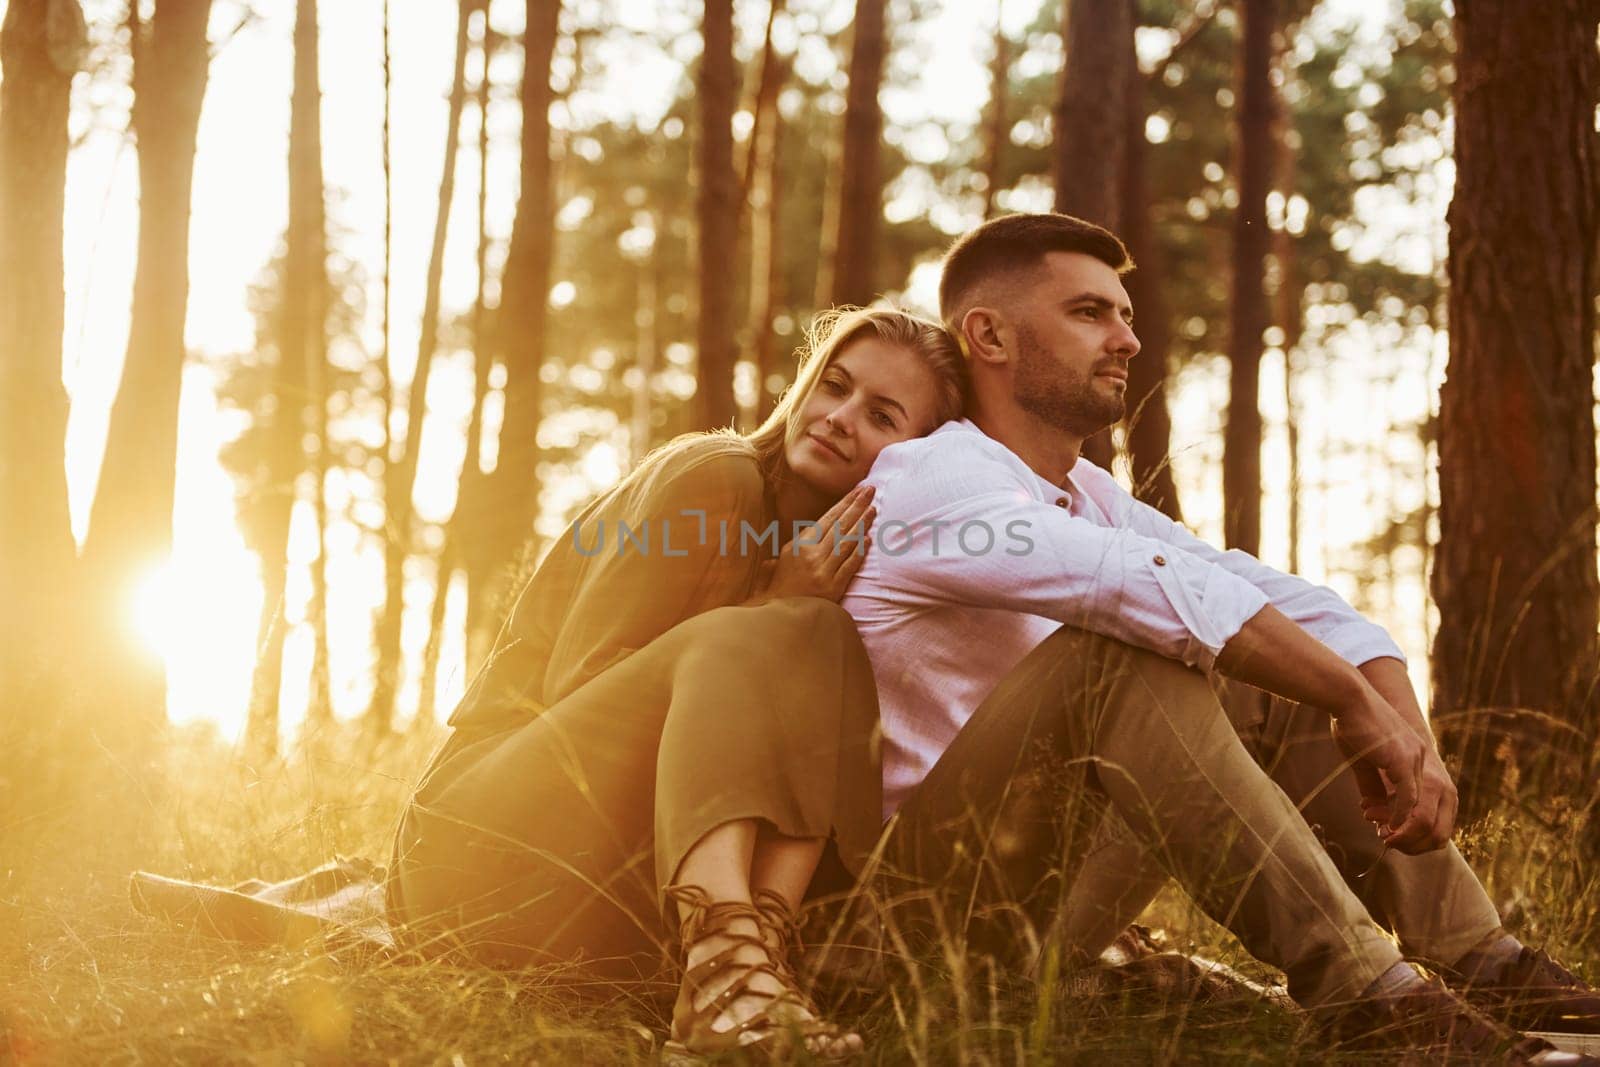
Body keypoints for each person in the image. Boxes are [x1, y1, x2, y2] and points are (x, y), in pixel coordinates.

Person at [842, 212, 1600, 1062]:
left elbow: (1257, 591)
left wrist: (1388, 701)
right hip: (915, 923)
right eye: (1091, 313)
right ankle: (1372, 1001)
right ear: (988, 334)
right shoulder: (932, 479)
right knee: (1126, 655)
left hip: (1038, 898)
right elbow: (1143, 591)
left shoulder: (1084, 490)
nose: (1127, 339)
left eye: (1127, 316)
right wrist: (1350, 697)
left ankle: (1480, 960)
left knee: (1267, 658)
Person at [385, 306, 966, 1061]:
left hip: (595, 906)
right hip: (471, 852)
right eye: (834, 386)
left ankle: (749, 975)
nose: (838, 418)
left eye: (881, 415)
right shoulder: (717, 477)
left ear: (913, 459)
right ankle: (731, 968)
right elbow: (580, 685)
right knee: (789, 626)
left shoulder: (850, 571)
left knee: (825, 634)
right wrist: (771, 602)